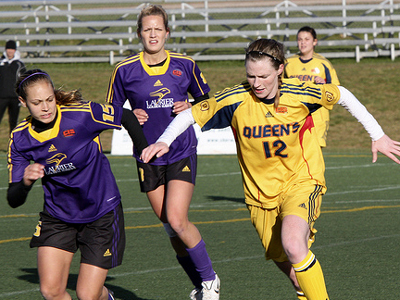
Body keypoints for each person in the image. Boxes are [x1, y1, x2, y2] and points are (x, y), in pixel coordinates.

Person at [140, 38, 400, 300]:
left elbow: (343, 94)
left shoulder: (300, 93)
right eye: (251, 76)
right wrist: (164, 140)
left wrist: (377, 135)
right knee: (285, 261)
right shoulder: (235, 99)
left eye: (263, 75)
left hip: (301, 181)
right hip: (260, 196)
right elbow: (191, 115)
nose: (257, 83)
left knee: (293, 245)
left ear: (280, 69)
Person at [105, 4, 219, 300]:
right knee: (170, 226)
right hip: (147, 155)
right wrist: (129, 116)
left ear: (167, 32)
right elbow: (111, 113)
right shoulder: (124, 70)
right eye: (147, 29)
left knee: (177, 218)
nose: (153, 34)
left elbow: (208, 104)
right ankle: (199, 284)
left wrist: (192, 107)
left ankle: (210, 281)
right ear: (139, 33)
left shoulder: (186, 65)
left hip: (180, 150)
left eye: (158, 28)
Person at [7, 69, 148, 300]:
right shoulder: (20, 138)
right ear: (23, 102)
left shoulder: (81, 116)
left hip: (101, 212)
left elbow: (126, 116)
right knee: (51, 292)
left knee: (87, 294)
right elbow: (14, 199)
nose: (46, 108)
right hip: (58, 216)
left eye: (50, 99)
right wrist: (25, 182)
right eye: (37, 102)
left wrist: (144, 154)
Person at [284, 26, 340, 148]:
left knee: (315, 154)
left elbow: (336, 90)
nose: (303, 42)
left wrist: (324, 85)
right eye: (299, 39)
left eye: (306, 39)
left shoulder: (323, 63)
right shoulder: (288, 63)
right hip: (294, 115)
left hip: (317, 117)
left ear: (315, 41)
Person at [0, 40, 26, 133]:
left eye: (12, 49)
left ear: (15, 50)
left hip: (14, 97)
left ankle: (13, 145)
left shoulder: (19, 65)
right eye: (8, 49)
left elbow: (23, 81)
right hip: (1, 97)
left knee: (13, 122)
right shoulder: (1, 62)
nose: (10, 51)